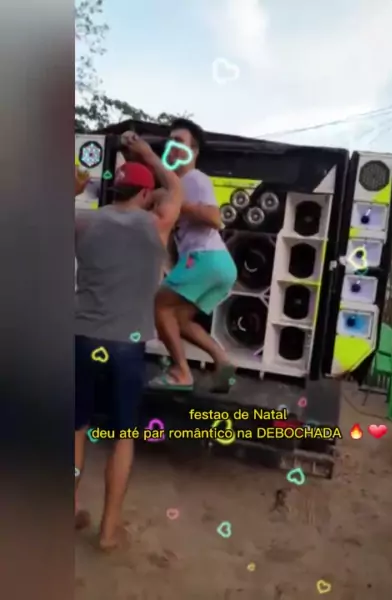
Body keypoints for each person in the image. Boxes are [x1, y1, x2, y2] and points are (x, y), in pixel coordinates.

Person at [74, 132, 183, 550]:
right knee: (123, 437)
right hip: (126, 344)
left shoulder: (83, 221)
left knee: (76, 428)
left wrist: (73, 190)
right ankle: (108, 530)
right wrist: (147, 154)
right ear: (144, 194)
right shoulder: (156, 224)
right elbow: (174, 188)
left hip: (81, 336)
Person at [150, 118, 237, 393]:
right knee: (179, 319)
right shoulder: (177, 184)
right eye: (170, 141)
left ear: (194, 151)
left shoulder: (194, 179)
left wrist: (178, 204)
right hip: (220, 264)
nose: (172, 146)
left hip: (204, 258)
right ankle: (223, 362)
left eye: (179, 142)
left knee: (159, 305)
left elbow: (215, 218)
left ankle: (181, 372)